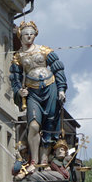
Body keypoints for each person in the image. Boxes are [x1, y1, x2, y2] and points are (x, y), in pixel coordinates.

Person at [9, 20, 67, 167]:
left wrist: (61, 88)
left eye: (31, 34)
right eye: (25, 34)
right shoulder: (17, 57)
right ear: (20, 36)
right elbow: (15, 80)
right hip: (33, 92)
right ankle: (34, 160)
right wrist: (19, 92)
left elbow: (57, 68)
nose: (29, 37)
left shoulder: (44, 50)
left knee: (50, 123)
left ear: (35, 35)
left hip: (50, 88)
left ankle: (45, 159)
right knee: (34, 125)